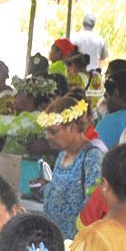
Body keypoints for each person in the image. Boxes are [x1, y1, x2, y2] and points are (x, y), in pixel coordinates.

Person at [38, 97, 102, 238]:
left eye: (53, 132)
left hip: (76, 246)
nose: (48, 137)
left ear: (72, 128)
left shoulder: (92, 158)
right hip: (54, 240)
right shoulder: (62, 154)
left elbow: (93, 208)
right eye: (47, 132)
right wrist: (46, 188)